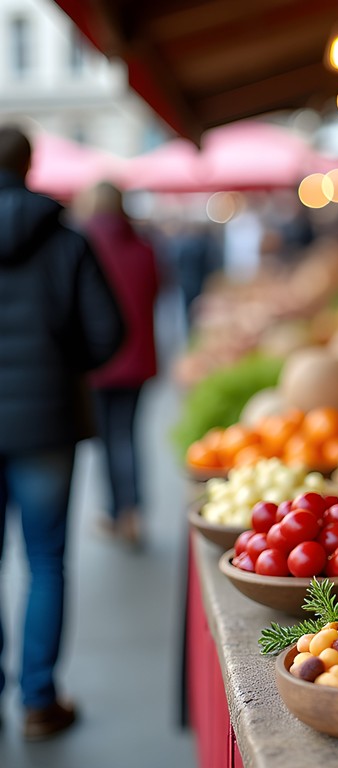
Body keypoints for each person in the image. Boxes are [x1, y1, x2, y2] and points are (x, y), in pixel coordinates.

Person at [0, 126, 123, 739]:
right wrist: (59, 364)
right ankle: (38, 701)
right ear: (30, 165)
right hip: (46, 420)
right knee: (46, 560)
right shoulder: (67, 241)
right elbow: (109, 332)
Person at [77, 181, 159, 547]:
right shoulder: (143, 246)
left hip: (95, 363)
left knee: (107, 439)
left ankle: (117, 511)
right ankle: (131, 511)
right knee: (127, 434)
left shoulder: (82, 245)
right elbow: (158, 289)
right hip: (137, 358)